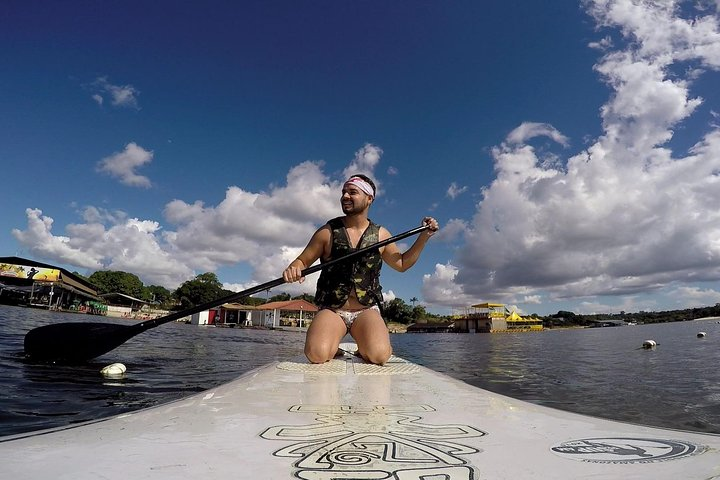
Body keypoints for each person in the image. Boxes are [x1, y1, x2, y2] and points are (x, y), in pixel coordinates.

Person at [283, 174, 439, 365]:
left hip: (366, 310)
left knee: (379, 356)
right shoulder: (327, 232)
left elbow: (402, 264)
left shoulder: (381, 235)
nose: (345, 196)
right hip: (332, 310)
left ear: (369, 198)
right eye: (343, 192)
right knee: (317, 354)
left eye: (352, 192)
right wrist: (294, 268)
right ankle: (333, 347)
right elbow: (302, 261)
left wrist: (424, 237)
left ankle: (366, 346)